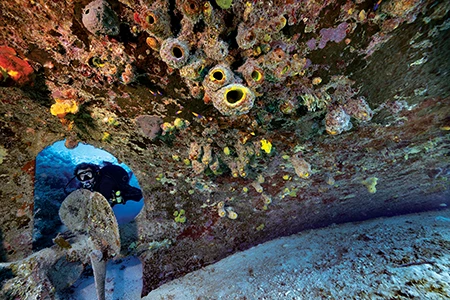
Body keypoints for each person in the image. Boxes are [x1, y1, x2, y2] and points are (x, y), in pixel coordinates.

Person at [73, 162, 143, 206]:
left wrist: (123, 196)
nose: (86, 179)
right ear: (79, 179)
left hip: (119, 178)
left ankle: (129, 173)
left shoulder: (107, 182)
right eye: (82, 177)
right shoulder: (81, 187)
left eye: (89, 174)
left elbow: (139, 194)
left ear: (94, 174)